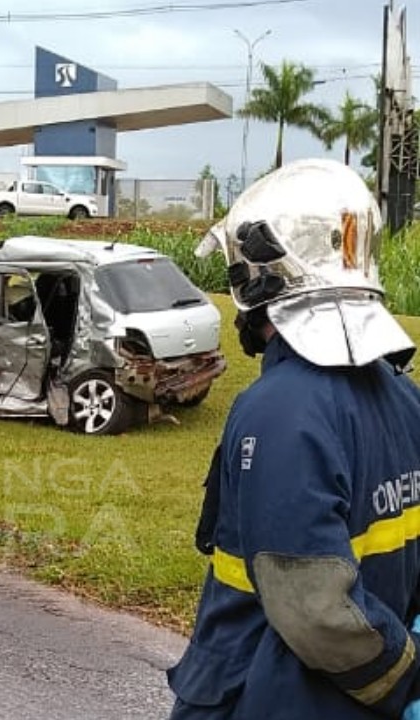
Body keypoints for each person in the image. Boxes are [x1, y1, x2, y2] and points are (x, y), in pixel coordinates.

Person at [168, 158, 420, 719]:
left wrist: (404, 679)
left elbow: (313, 609)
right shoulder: (405, 398)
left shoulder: (279, 410)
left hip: (266, 698)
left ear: (260, 273)